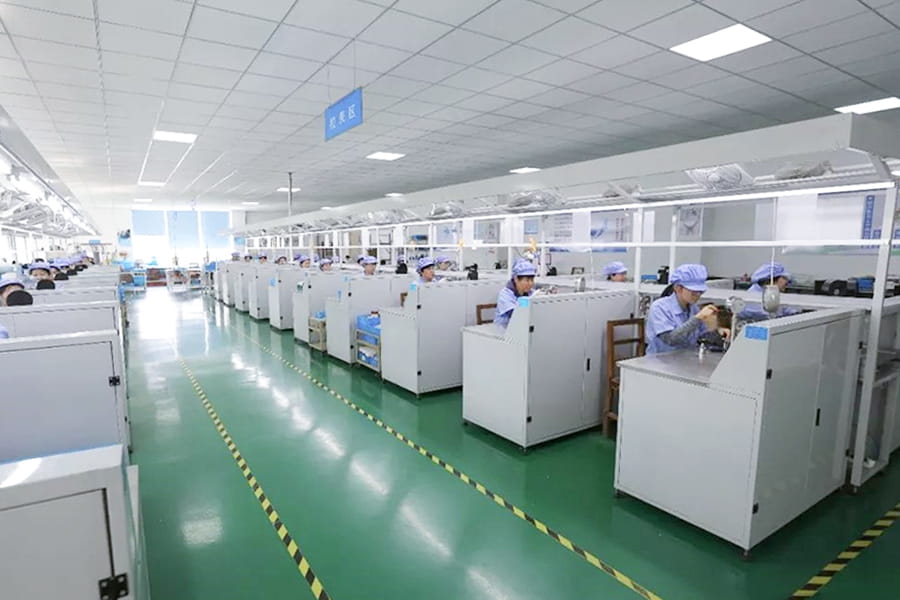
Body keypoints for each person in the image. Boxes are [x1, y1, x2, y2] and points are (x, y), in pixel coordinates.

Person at [645, 264, 721, 354]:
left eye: (700, 292)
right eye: (694, 292)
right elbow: (670, 339)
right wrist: (698, 318)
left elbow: (704, 337)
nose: (698, 295)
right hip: (659, 360)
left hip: (685, 358)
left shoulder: (693, 308)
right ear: (678, 288)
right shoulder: (659, 307)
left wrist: (717, 330)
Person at [494, 259, 537, 329]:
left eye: (532, 280)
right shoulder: (505, 294)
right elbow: (515, 314)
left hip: (522, 327)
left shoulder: (531, 292)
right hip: (505, 330)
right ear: (516, 279)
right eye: (527, 280)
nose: (531, 283)